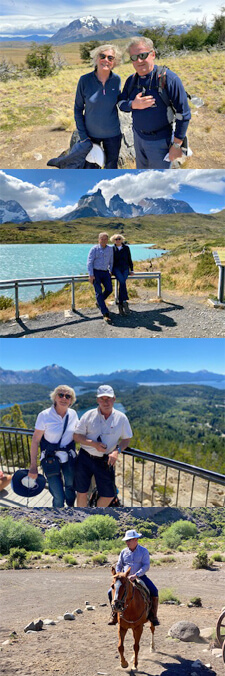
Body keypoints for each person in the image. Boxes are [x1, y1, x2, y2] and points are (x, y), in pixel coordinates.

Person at [118, 36, 191, 169]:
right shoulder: (131, 80)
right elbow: (121, 103)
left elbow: (183, 114)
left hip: (161, 142)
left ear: (153, 54)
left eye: (142, 55)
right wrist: (133, 105)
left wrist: (176, 145)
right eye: (134, 57)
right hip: (138, 138)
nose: (138, 61)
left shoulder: (169, 79)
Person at [74, 385, 132, 508]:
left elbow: (127, 438)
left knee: (109, 494)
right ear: (97, 400)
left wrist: (117, 451)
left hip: (105, 460)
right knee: (81, 492)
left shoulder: (121, 418)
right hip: (85, 458)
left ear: (114, 399)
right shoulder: (88, 415)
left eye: (108, 399)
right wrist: (93, 444)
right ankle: (82, 517)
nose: (105, 402)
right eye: (102, 399)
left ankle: (93, 513)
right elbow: (77, 436)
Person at [28, 385, 78, 508]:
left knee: (71, 488)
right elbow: (35, 441)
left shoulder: (73, 414)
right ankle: (58, 517)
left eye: (68, 396)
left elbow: (78, 434)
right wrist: (33, 466)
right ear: (54, 397)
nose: (64, 398)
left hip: (69, 459)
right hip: (50, 459)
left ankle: (71, 509)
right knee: (58, 495)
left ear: (71, 400)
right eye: (60, 395)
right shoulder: (44, 415)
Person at [74, 44, 122, 168]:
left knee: (111, 170)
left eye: (110, 58)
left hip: (113, 136)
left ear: (114, 62)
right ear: (96, 58)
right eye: (102, 56)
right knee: (90, 170)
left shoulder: (117, 80)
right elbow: (78, 109)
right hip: (91, 137)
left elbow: (122, 103)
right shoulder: (84, 80)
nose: (106, 60)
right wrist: (84, 137)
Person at [108, 528, 159, 626]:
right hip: (124, 578)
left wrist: (136, 575)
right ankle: (114, 614)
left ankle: (153, 615)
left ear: (136, 540)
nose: (127, 542)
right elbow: (119, 564)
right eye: (126, 540)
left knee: (154, 591)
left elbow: (146, 566)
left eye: (129, 540)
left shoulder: (144, 551)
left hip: (140, 577)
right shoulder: (123, 552)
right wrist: (119, 575)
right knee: (110, 592)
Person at [87, 232, 114, 323]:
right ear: (99, 239)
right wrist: (91, 275)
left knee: (109, 289)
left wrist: (110, 270)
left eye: (105, 239)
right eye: (102, 239)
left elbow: (111, 261)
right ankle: (105, 313)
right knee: (98, 292)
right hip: (96, 272)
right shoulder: (94, 249)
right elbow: (89, 262)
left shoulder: (110, 249)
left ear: (107, 240)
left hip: (106, 272)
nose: (103, 240)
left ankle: (99, 302)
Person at [110, 234, 134, 315]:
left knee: (122, 283)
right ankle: (124, 301)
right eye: (116, 239)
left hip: (125, 269)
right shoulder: (112, 249)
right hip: (116, 269)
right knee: (122, 282)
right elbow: (110, 261)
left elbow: (129, 259)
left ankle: (121, 304)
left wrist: (132, 270)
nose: (117, 240)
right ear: (114, 240)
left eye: (119, 239)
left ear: (122, 239)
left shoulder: (126, 248)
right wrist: (110, 270)